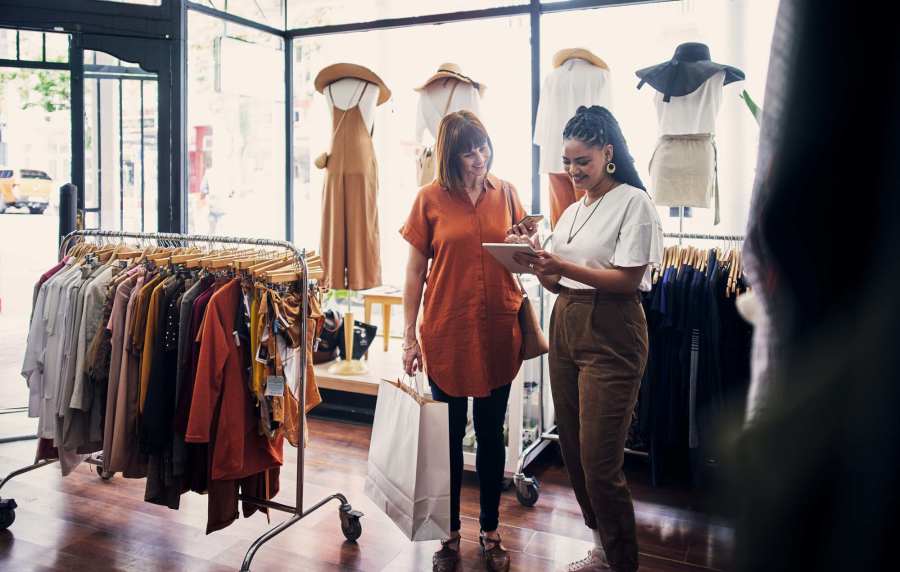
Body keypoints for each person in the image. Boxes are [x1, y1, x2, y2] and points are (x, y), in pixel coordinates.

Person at [511, 105, 663, 572]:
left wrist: (564, 268)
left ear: (608, 153)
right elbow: (559, 283)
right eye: (569, 162)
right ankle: (601, 548)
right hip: (567, 324)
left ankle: (622, 563)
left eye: (583, 161)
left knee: (600, 460)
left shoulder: (633, 202)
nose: (574, 171)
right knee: (573, 451)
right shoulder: (574, 210)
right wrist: (534, 257)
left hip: (613, 330)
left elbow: (628, 279)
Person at [400, 110, 527, 572]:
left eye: (483, 146)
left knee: (491, 434)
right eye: (468, 151)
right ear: (450, 156)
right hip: (448, 331)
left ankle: (491, 529)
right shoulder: (428, 199)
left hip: (498, 329)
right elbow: (415, 273)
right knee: (448, 438)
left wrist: (526, 243)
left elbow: (520, 256)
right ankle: (448, 533)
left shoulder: (507, 192)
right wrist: (408, 337)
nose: (479, 157)